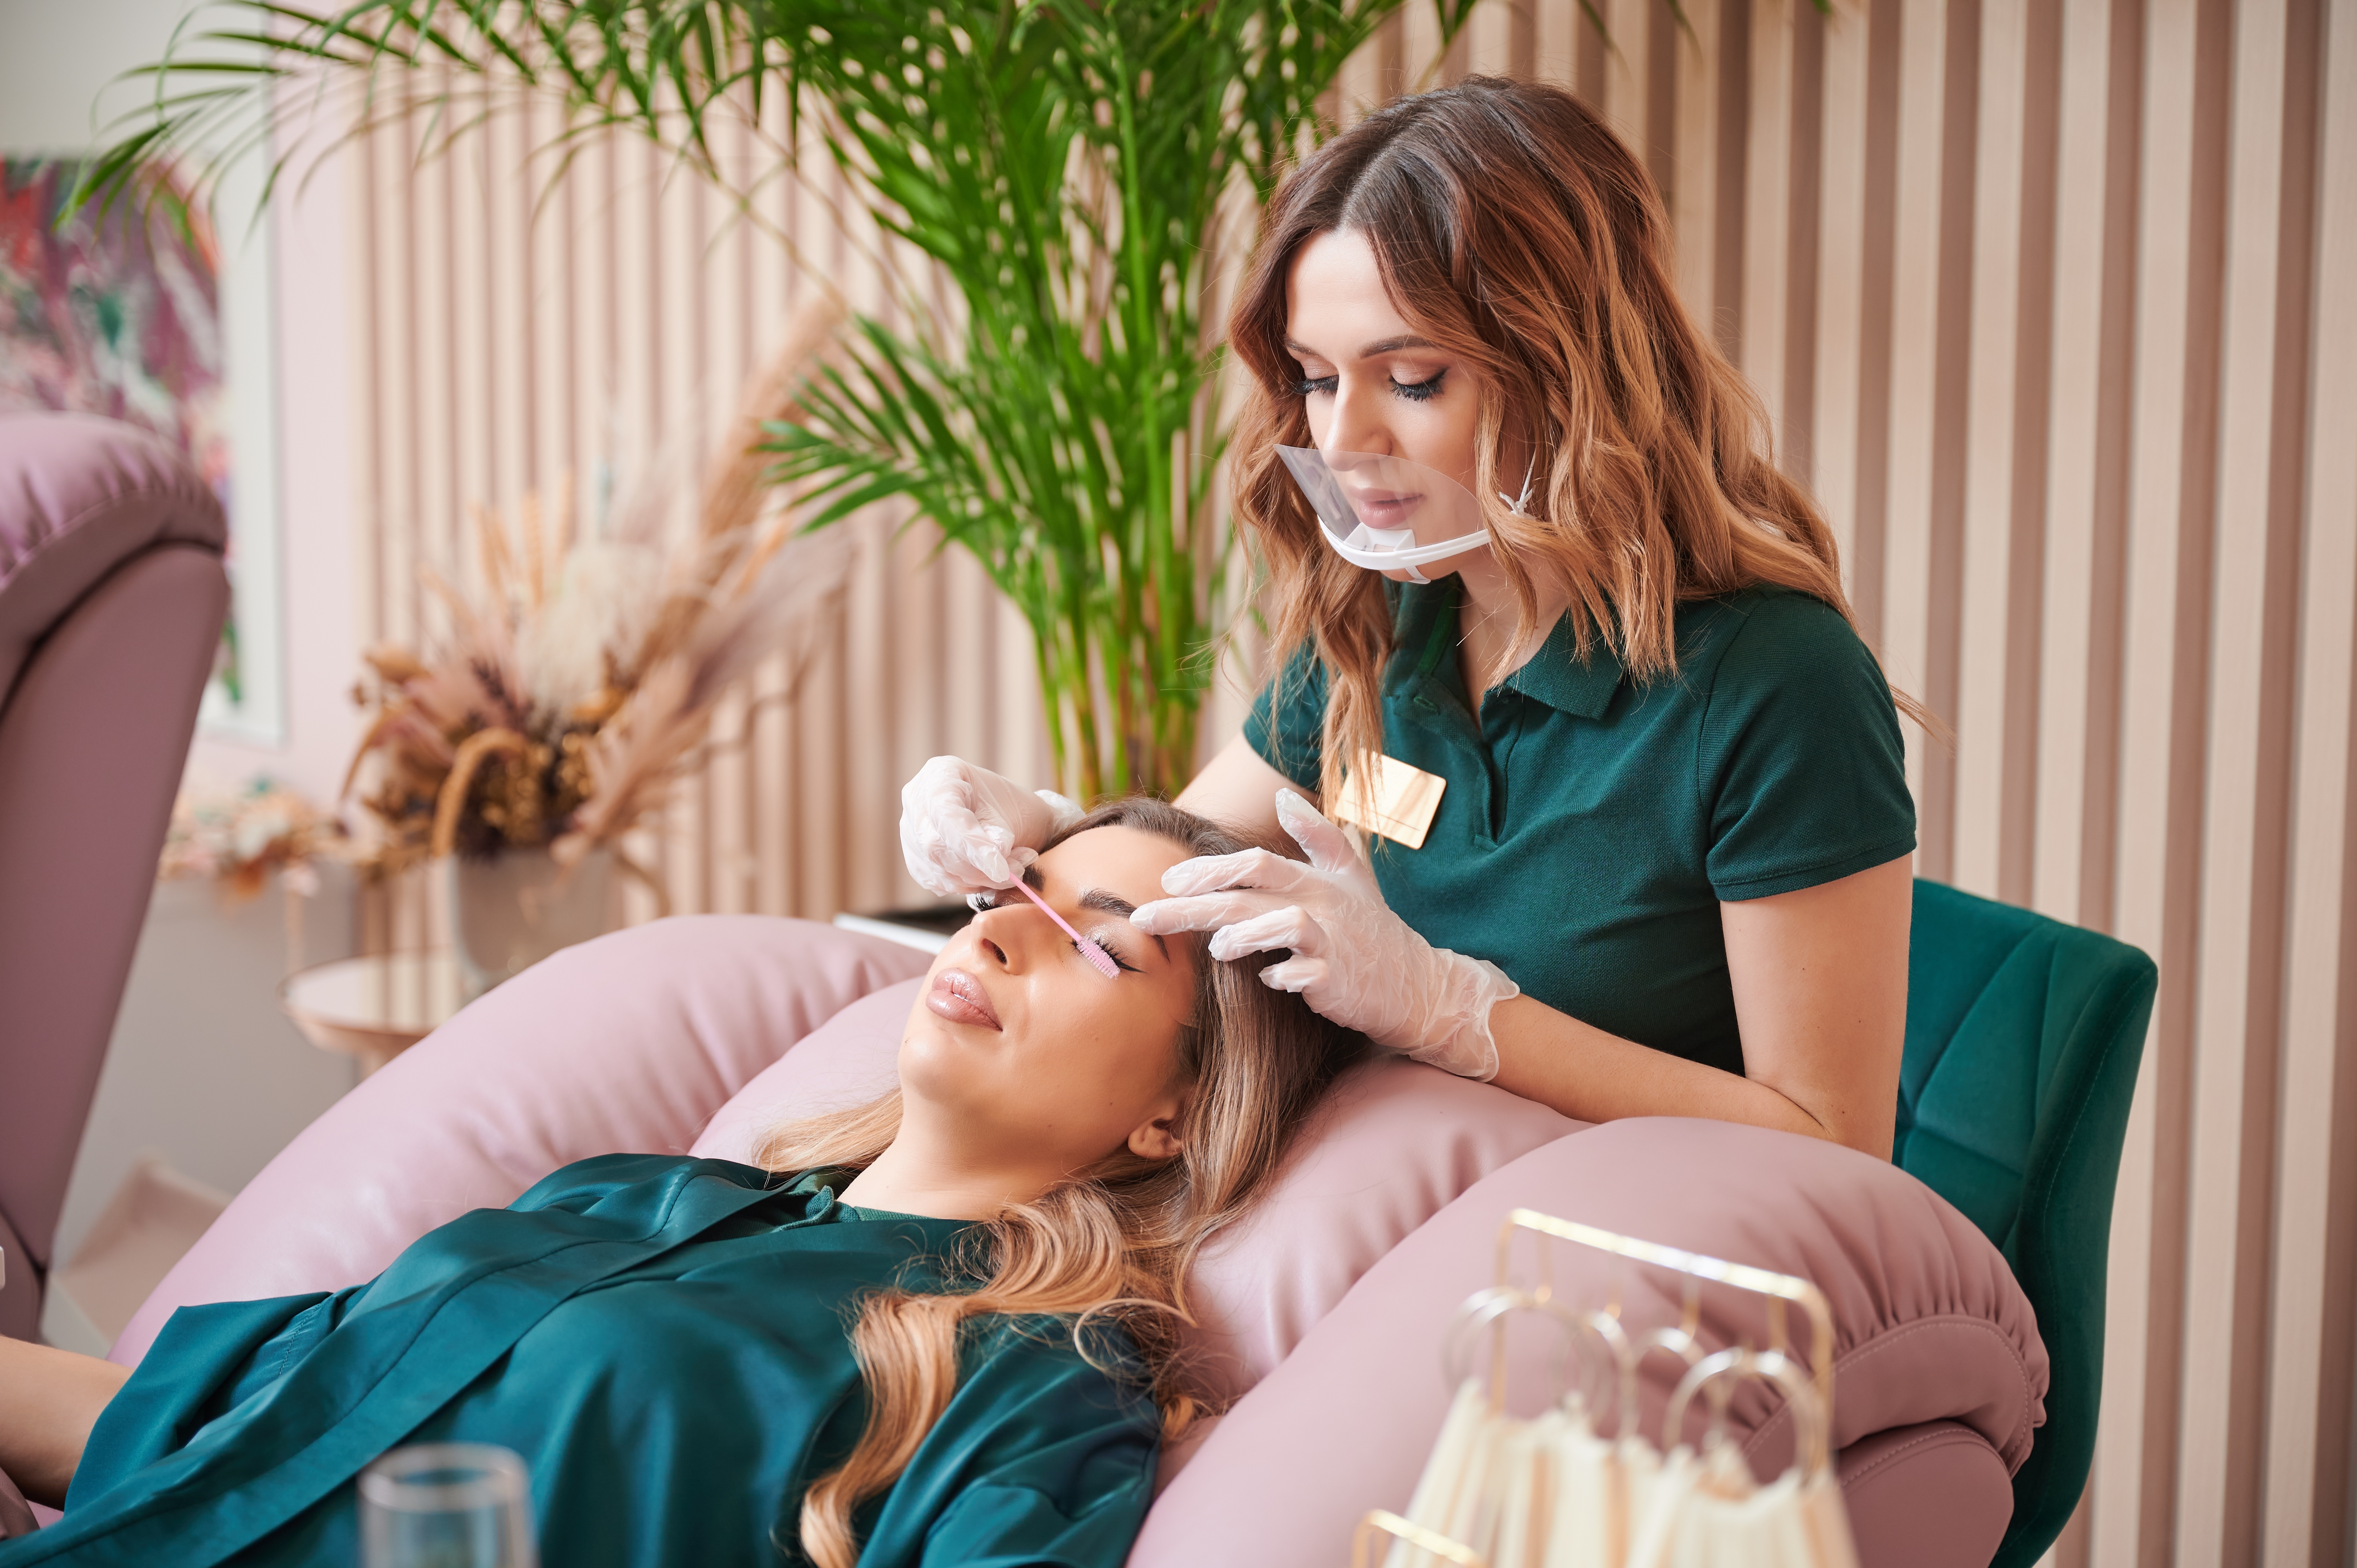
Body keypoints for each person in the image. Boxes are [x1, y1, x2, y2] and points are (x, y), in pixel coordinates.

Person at [900, 78, 1920, 1161]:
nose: (1341, 440)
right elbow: (1185, 871)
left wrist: (1461, 1018)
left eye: (1415, 378)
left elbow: (1835, 1146)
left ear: (1573, 376)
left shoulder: (1772, 682)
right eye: (1317, 379)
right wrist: (1047, 833)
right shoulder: (1385, 621)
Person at [0, 800, 1360, 1568]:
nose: (1005, 932)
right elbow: (196, 1426)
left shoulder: (1035, 1388)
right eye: (1024, 889)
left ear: (1179, 1114)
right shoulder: (638, 1201)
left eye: (1099, 946)